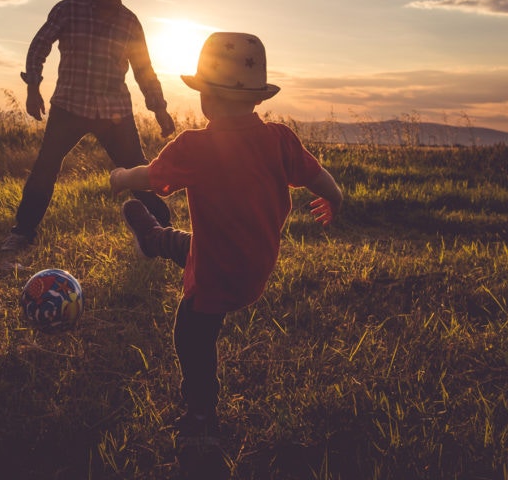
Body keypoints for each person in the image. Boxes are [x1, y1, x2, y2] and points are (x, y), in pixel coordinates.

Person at [109, 31, 343, 446]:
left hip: (219, 275)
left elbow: (151, 176)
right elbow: (316, 175)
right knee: (193, 248)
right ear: (256, 99)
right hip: (254, 264)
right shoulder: (280, 139)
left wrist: (124, 176)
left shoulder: (197, 146)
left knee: (191, 336)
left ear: (206, 98)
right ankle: (154, 238)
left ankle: (201, 411)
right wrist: (335, 197)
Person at [1, 0, 176, 251]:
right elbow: (39, 45)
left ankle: (164, 231)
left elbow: (143, 69)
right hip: (70, 106)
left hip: (114, 113)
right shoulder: (69, 8)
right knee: (46, 167)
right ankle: (22, 232)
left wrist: (159, 109)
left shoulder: (130, 21)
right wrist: (33, 87)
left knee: (137, 172)